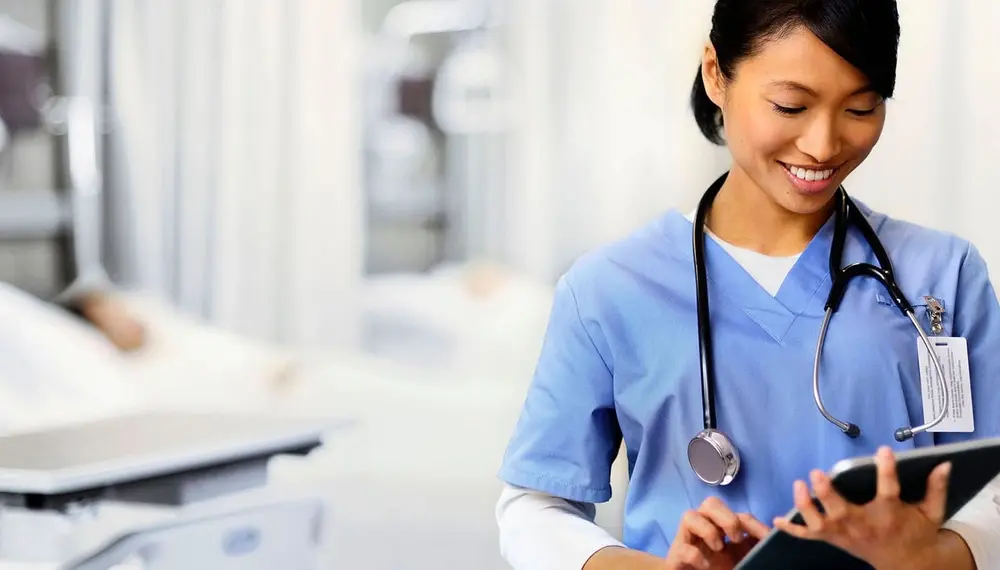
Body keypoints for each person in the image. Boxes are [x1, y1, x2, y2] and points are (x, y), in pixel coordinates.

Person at [495, 1, 1000, 569]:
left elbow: (992, 490)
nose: (823, 144)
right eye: (791, 105)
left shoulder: (943, 276)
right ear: (716, 73)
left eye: (861, 107)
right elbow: (534, 507)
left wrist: (926, 559)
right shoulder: (610, 290)